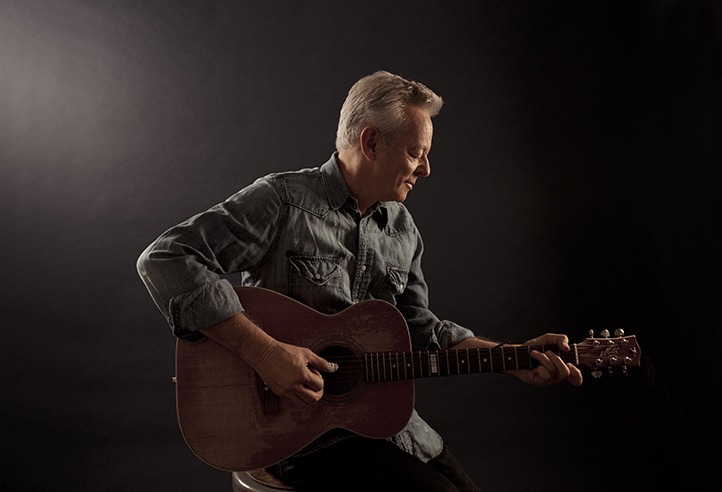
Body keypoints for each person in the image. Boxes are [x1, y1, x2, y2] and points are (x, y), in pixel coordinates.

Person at [137, 71, 583, 492]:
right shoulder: (283, 201)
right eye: (415, 153)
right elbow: (166, 258)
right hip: (293, 436)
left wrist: (510, 358)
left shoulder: (402, 229)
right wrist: (266, 354)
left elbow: (420, 333)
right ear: (371, 141)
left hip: (382, 429)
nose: (425, 169)